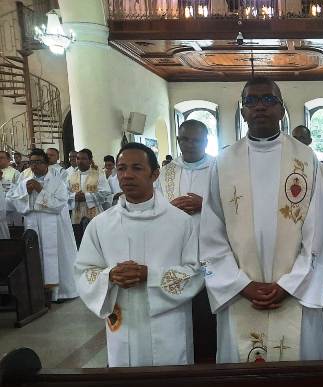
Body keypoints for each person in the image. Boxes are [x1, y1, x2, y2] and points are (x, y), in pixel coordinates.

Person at [200, 77, 323, 363]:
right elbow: (211, 232)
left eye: (268, 99)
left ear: (282, 108)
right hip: (240, 293)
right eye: (251, 101)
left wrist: (290, 283)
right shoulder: (223, 162)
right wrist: (239, 285)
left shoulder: (306, 158)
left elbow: (317, 228)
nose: (260, 106)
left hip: (295, 291)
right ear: (243, 111)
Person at [75, 142, 203, 367]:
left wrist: (150, 275)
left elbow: (198, 271)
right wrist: (111, 276)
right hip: (123, 323)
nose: (127, 175)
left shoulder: (181, 222)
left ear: (155, 174)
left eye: (136, 168)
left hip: (169, 324)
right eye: (122, 168)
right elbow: (84, 271)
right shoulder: (100, 225)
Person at [6, 148, 77, 302]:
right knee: (35, 256)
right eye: (31, 162)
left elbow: (59, 204)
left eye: (38, 162)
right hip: (33, 225)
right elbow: (13, 200)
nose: (34, 166)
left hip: (55, 226)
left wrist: (40, 189)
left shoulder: (57, 181)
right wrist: (26, 191)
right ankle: (39, 293)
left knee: (58, 255)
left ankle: (62, 291)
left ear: (46, 163)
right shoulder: (25, 181)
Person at [156, 119, 214, 255]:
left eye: (196, 140)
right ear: (178, 140)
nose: (190, 145)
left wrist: (204, 204)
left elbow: (233, 205)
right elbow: (155, 203)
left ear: (206, 142)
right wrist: (169, 208)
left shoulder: (220, 167)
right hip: (175, 242)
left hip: (211, 242)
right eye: (185, 139)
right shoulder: (166, 171)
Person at [67, 148, 111, 224]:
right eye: (78, 158)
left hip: (95, 215)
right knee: (78, 235)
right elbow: (64, 193)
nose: (80, 161)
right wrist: (74, 196)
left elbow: (106, 193)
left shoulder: (99, 175)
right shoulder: (71, 176)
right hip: (76, 216)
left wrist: (86, 197)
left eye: (84, 159)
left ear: (90, 161)